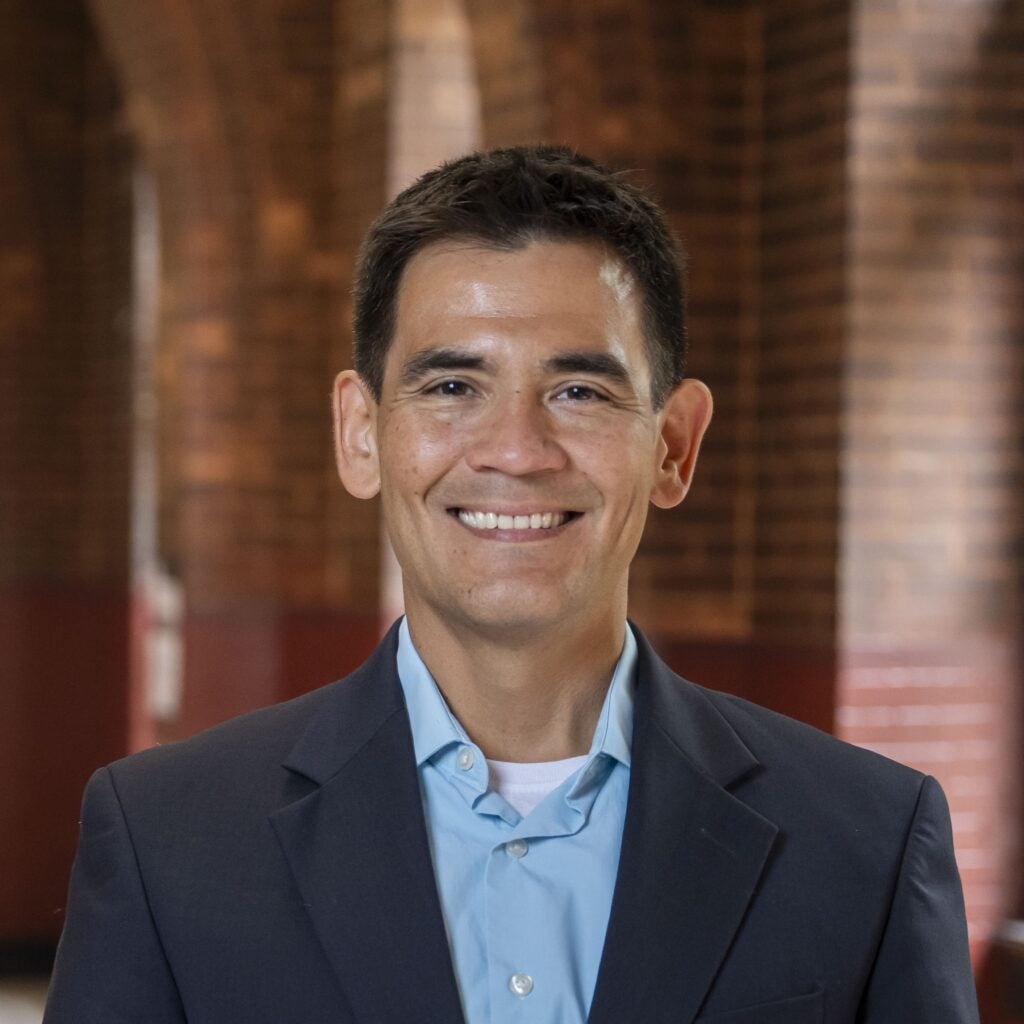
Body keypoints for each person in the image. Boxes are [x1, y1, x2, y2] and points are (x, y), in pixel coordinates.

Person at [44, 146, 979, 1024]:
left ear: (674, 446)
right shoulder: (166, 841)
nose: (517, 451)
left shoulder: (871, 843)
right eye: (453, 387)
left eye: (580, 392)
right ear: (361, 435)